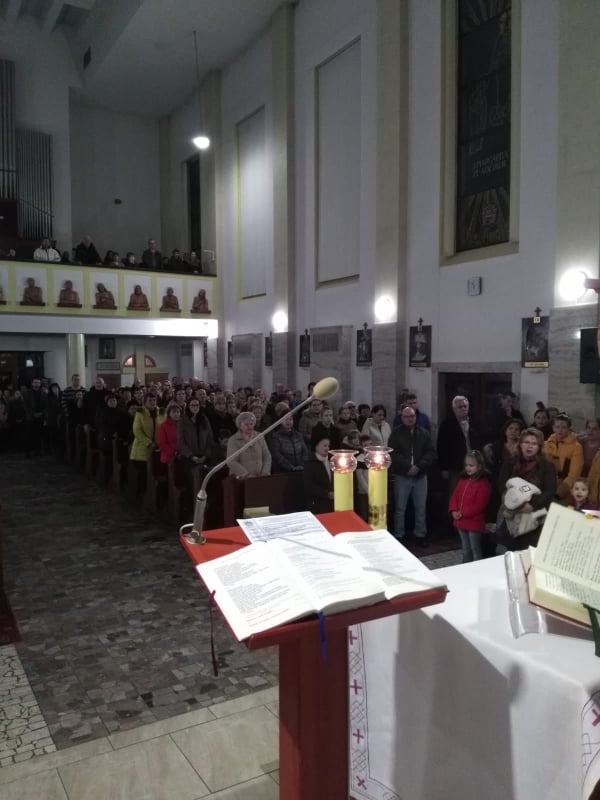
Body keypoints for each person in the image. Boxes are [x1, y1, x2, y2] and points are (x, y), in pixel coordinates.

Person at [498, 427, 557, 549]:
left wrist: (531, 505)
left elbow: (550, 491)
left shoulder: (547, 466)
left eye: (534, 443)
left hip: (534, 515)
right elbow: (502, 484)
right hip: (512, 512)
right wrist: (512, 503)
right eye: (526, 442)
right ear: (520, 444)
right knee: (512, 549)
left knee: (529, 551)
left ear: (539, 447)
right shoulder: (510, 462)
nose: (530, 446)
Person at [388, 405, 436, 546]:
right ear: (402, 418)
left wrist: (419, 466)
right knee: (400, 508)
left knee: (421, 507)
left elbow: (430, 452)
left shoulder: (423, 433)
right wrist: (408, 467)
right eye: (407, 416)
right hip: (403, 475)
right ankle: (399, 534)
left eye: (412, 416)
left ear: (416, 417)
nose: (410, 419)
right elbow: (393, 453)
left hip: (420, 476)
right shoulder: (396, 433)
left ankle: (420, 534)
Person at [449, 450, 491, 563]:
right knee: (466, 549)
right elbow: (455, 496)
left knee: (475, 549)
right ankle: (466, 567)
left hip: (474, 523)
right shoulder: (463, 480)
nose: (468, 468)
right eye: (466, 465)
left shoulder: (483, 484)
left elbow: (480, 505)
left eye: (471, 465)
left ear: (480, 466)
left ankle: (477, 569)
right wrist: (453, 510)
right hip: (461, 521)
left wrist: (462, 513)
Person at [437, 395, 480, 495]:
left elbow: (479, 442)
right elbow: (442, 447)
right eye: (460, 407)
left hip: (474, 465)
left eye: (465, 406)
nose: (463, 409)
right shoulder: (447, 424)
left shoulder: (474, 423)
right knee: (455, 494)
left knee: (472, 493)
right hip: (455, 466)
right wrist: (444, 468)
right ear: (454, 409)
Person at [129, 393, 165, 499]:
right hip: (141, 449)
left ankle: (157, 497)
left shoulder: (161, 412)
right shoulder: (140, 413)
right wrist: (149, 443)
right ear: (145, 402)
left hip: (157, 448)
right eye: (150, 400)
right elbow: (137, 431)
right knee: (144, 472)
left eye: (154, 400)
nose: (152, 402)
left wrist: (159, 442)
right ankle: (141, 495)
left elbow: (163, 429)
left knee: (159, 471)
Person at [543, 413, 583, 501]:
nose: (560, 430)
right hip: (545, 486)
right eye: (557, 427)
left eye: (563, 427)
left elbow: (574, 475)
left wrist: (559, 493)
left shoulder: (576, 447)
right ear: (553, 428)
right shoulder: (547, 444)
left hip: (565, 489)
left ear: (569, 428)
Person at [226, 411, 271, 478]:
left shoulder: (260, 436)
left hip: (261, 477)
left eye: (251, 424)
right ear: (240, 426)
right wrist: (246, 475)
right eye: (246, 424)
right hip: (241, 479)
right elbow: (231, 461)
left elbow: (267, 456)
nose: (249, 426)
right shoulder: (233, 440)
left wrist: (265, 472)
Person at [303, 432, 333, 514]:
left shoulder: (332, 460)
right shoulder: (309, 463)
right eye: (325, 446)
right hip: (317, 504)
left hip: (331, 504)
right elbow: (309, 485)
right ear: (316, 446)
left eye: (328, 446)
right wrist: (327, 494)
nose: (327, 448)